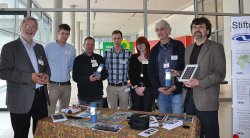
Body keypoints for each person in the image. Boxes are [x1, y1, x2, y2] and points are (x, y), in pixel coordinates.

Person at [0, 17, 50, 137]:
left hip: (40, 96)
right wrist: (29, 77)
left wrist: (47, 75)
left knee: (40, 133)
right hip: (20, 99)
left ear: (36, 31)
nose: (30, 29)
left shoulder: (39, 48)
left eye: (33, 27)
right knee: (21, 134)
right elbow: (3, 72)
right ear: (20, 28)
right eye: (27, 26)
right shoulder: (9, 47)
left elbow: (46, 66)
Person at [183, 17, 226, 138]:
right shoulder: (188, 49)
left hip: (207, 99)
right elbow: (190, 70)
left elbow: (220, 74)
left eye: (201, 27)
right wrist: (179, 73)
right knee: (194, 132)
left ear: (207, 31)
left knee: (211, 133)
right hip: (189, 99)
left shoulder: (216, 47)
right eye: (194, 27)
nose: (197, 29)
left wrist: (199, 82)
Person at [148, 20, 185, 114]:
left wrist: (176, 86)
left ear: (168, 30)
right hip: (161, 92)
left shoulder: (179, 46)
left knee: (177, 119)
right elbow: (151, 71)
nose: (159, 32)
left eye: (162, 29)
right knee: (165, 121)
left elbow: (184, 66)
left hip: (176, 91)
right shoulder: (154, 50)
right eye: (157, 30)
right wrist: (158, 88)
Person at [45, 24, 76, 115]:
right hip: (52, 85)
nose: (64, 36)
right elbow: (43, 64)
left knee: (64, 112)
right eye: (62, 33)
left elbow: (71, 65)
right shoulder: (48, 47)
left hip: (66, 86)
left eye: (67, 34)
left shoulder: (71, 49)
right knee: (50, 111)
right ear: (58, 33)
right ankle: (49, 129)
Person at [73, 37, 108, 107]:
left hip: (97, 96)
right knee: (84, 117)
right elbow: (75, 77)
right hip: (83, 97)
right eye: (88, 44)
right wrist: (88, 78)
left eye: (92, 44)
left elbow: (105, 74)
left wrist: (101, 76)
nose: (90, 46)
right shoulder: (78, 59)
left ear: (94, 46)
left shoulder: (99, 58)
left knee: (98, 117)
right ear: (84, 46)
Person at [104, 30, 132, 110]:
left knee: (124, 111)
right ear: (112, 39)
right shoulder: (107, 53)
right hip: (111, 87)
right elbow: (104, 69)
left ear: (122, 39)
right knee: (112, 111)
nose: (116, 40)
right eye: (115, 38)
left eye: (118, 38)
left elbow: (131, 70)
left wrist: (131, 81)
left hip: (124, 87)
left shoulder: (128, 54)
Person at [128, 36, 154, 112]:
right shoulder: (133, 57)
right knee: (137, 110)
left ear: (146, 44)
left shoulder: (151, 57)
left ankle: (146, 124)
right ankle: (138, 124)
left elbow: (152, 74)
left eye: (142, 43)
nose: (140, 46)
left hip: (148, 88)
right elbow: (131, 73)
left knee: (147, 110)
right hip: (135, 88)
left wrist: (144, 87)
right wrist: (136, 87)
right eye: (138, 44)